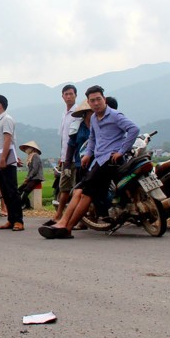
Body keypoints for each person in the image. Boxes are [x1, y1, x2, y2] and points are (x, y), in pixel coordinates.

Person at [39, 85, 140, 239]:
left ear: (104, 99)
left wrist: (121, 151)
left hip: (110, 161)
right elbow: (92, 139)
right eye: (92, 101)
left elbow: (133, 129)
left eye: (98, 99)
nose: (96, 103)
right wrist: (87, 154)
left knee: (86, 194)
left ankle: (67, 228)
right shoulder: (93, 118)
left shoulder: (115, 115)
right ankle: (63, 222)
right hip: (97, 161)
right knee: (78, 190)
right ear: (88, 103)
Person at [0, 94, 23, 231]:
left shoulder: (7, 120)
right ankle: (11, 219)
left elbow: (7, 140)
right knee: (4, 191)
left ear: (0, 105)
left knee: (12, 191)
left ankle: (19, 221)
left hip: (6, 162)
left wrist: (3, 159)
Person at [56, 85, 81, 221]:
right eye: (66, 94)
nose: (68, 96)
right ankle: (60, 214)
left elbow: (74, 137)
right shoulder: (64, 115)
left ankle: (64, 215)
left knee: (71, 187)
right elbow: (63, 138)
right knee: (65, 187)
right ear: (62, 97)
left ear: (76, 95)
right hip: (66, 156)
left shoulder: (78, 112)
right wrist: (62, 156)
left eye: (71, 94)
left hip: (75, 157)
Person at [18, 141, 44, 210]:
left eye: (27, 148)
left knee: (26, 190)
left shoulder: (35, 156)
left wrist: (28, 178)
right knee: (20, 189)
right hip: (32, 177)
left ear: (32, 148)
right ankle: (27, 205)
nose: (26, 149)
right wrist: (27, 178)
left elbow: (35, 169)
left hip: (36, 177)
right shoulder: (30, 156)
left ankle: (21, 205)